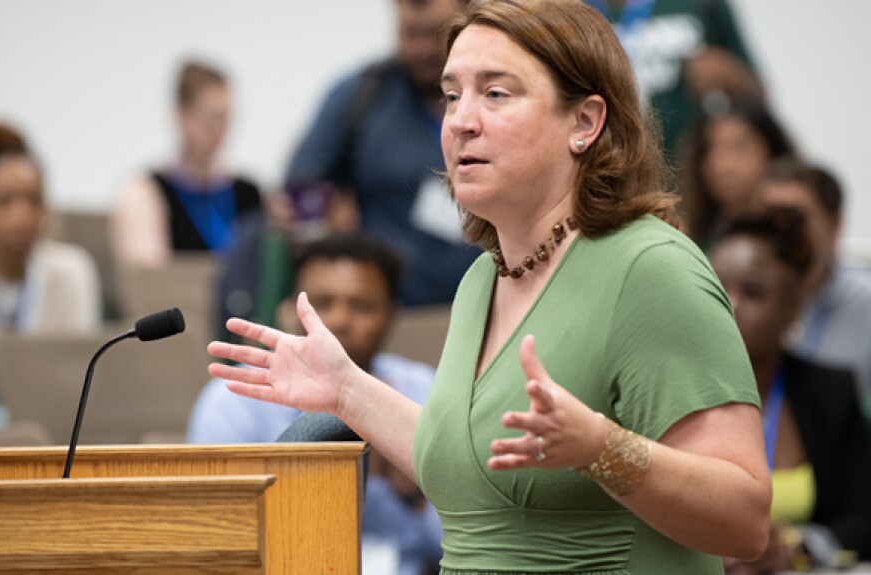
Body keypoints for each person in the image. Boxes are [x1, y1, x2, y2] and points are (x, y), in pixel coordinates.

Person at [208, 1, 770, 573]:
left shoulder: (651, 269)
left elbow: (745, 519)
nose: (461, 121)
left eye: (496, 93)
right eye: (453, 96)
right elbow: (475, 479)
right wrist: (346, 390)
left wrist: (602, 449)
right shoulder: (483, 279)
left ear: (584, 122)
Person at [189, 232, 442, 575]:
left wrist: (413, 492)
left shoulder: (425, 393)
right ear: (289, 309)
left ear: (391, 315)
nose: (339, 320)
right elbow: (213, 539)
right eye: (321, 304)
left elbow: (480, 546)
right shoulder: (235, 398)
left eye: (361, 306)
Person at [282, 0, 480, 307]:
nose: (422, 49)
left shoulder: (499, 93)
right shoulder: (361, 94)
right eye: (410, 34)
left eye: (436, 34)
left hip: (491, 304)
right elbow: (301, 188)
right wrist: (327, 227)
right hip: (388, 314)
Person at [710, 208, 871, 572]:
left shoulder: (831, 392)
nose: (730, 306)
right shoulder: (665, 387)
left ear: (793, 308)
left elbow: (863, 521)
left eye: (753, 293)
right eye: (715, 290)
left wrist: (797, 546)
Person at [0, 122, 101, 432]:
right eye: (4, 201)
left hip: (42, 433)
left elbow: (80, 376)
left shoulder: (72, 271)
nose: (22, 217)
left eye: (34, 201)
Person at [111, 59, 261, 267]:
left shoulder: (248, 195)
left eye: (225, 117)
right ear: (182, 114)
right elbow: (149, 278)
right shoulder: (148, 193)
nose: (218, 129)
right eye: (210, 117)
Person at [755, 159, 871, 423]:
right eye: (767, 219)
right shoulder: (737, 298)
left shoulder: (865, 304)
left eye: (793, 217)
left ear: (834, 224)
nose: (781, 233)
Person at [587, 0, 762, 159]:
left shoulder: (704, 5)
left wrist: (726, 71)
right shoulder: (576, 9)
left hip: (688, 167)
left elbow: (758, 94)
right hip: (604, 163)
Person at [681, 97, 796, 250]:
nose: (722, 165)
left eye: (739, 147)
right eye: (709, 149)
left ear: (771, 151)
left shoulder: (795, 238)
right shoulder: (687, 240)